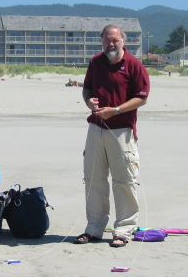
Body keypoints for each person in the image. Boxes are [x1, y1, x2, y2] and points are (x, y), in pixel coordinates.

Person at [75, 24, 150, 248]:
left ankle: (124, 229)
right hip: (96, 128)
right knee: (93, 180)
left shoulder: (134, 64)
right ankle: (94, 228)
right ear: (102, 41)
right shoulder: (96, 62)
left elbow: (142, 97)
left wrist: (115, 110)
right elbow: (87, 89)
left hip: (122, 130)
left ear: (123, 41)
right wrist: (89, 102)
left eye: (115, 40)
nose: (111, 44)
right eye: (107, 40)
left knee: (124, 181)